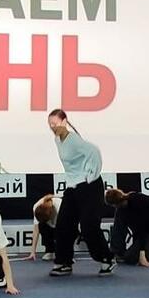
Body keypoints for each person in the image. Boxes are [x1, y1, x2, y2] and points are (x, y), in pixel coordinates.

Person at [47, 109, 116, 277]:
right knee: (63, 225)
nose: (53, 127)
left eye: (55, 123)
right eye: (50, 124)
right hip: (72, 187)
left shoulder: (75, 141)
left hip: (90, 186)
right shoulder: (57, 140)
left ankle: (107, 259)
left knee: (88, 226)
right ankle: (64, 262)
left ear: (64, 122)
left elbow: (94, 151)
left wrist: (91, 175)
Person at [105, 188, 149, 267]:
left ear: (114, 204)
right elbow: (125, 229)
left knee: (131, 258)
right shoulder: (123, 207)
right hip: (144, 234)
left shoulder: (139, 202)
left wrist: (142, 255)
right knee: (119, 214)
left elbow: (142, 230)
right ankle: (116, 251)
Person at [17, 193, 61, 261]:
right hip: (51, 224)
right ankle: (50, 251)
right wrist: (32, 252)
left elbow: (69, 228)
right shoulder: (36, 207)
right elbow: (36, 230)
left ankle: (65, 252)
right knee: (41, 226)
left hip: (64, 223)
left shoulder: (60, 206)